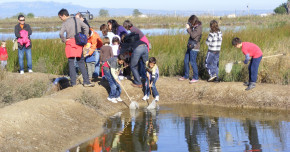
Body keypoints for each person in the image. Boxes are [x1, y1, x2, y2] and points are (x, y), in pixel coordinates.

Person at [58, 8, 94, 87]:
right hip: (78, 42)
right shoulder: (77, 20)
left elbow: (61, 34)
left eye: (60, 17)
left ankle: (73, 83)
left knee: (71, 63)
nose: (60, 19)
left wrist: (64, 40)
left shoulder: (65, 23)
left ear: (63, 15)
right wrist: (84, 36)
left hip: (70, 43)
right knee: (81, 62)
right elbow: (86, 27)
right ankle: (86, 82)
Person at [179, 15, 202, 83]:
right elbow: (191, 33)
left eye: (190, 22)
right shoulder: (195, 26)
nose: (190, 23)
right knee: (186, 61)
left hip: (194, 47)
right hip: (190, 46)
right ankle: (186, 75)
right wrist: (190, 27)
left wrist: (189, 28)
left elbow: (193, 35)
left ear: (193, 21)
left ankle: (196, 77)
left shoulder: (199, 27)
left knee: (192, 62)